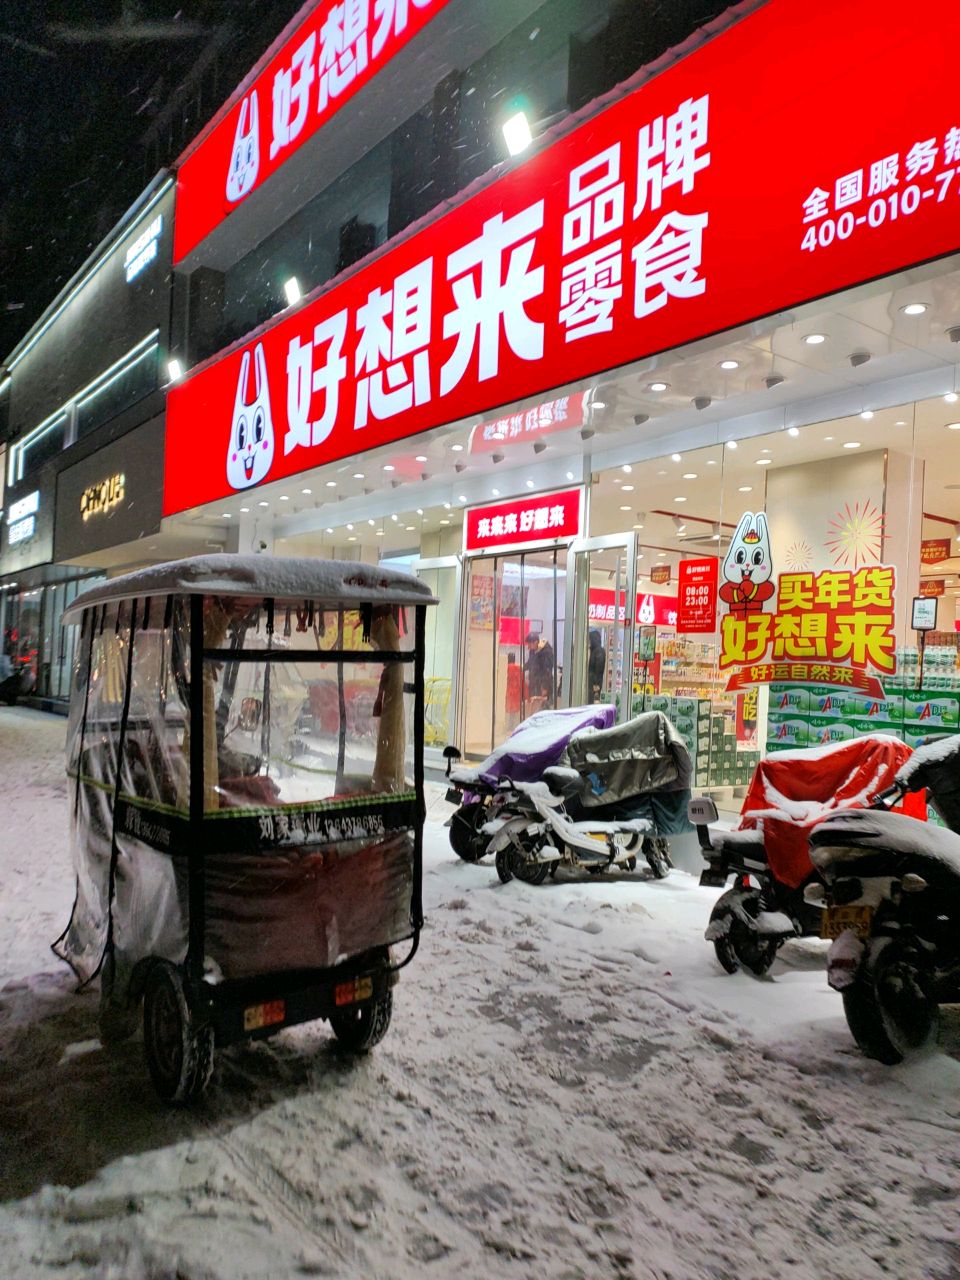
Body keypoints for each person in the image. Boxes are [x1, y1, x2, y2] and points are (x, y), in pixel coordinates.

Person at [524, 631, 555, 708]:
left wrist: (545, 687)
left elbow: (547, 670)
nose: (528, 647)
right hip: (535, 684)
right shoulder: (533, 650)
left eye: (529, 644)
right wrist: (521, 668)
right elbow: (530, 662)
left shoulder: (547, 651)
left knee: (543, 708)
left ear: (536, 642)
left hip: (544, 685)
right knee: (535, 707)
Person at [505, 651, 525, 731]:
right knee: (513, 711)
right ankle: (512, 726)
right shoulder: (518, 668)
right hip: (516, 692)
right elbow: (521, 681)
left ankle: (508, 726)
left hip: (508, 690)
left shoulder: (506, 667)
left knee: (508, 710)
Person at [587, 629, 606, 703]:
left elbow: (599, 669)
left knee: (592, 701)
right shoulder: (594, 650)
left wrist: (596, 683)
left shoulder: (599, 651)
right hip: (592, 682)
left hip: (594, 683)